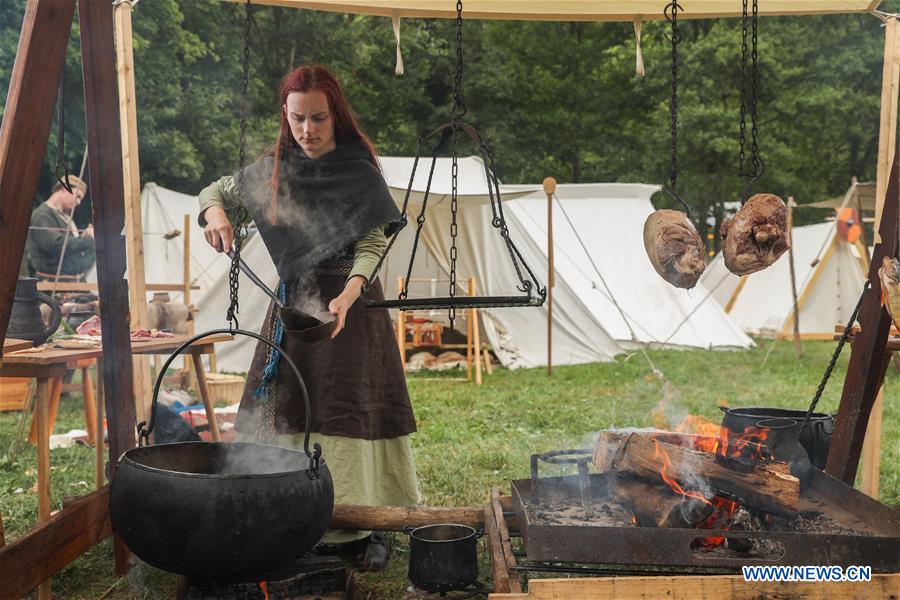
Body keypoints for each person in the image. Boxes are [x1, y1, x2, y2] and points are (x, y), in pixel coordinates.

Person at [198, 65, 418, 570]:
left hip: (349, 306)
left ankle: (365, 526)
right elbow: (216, 190)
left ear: (334, 114)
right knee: (289, 403)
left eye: (317, 118)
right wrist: (216, 213)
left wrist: (350, 292)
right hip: (294, 308)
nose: (307, 129)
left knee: (349, 406)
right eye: (298, 118)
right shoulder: (275, 168)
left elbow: (373, 241)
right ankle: (286, 512)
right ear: (285, 114)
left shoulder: (357, 169)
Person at [25, 175, 95, 282]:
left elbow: (69, 246)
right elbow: (57, 245)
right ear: (64, 189)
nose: (79, 202)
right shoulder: (42, 215)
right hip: (53, 286)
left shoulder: (63, 217)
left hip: (70, 284)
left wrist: (83, 237)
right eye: (78, 196)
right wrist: (87, 239)